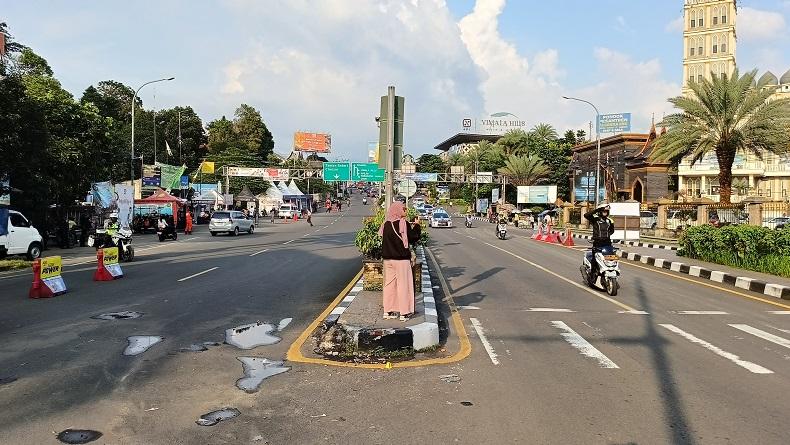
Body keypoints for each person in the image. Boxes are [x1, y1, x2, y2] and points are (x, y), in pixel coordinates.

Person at [380, 202, 420, 321]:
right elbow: (413, 237)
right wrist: (417, 226)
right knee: (404, 285)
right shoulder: (403, 223)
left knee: (389, 285)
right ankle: (404, 312)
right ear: (398, 210)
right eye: (404, 209)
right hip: (401, 260)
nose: (405, 211)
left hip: (388, 259)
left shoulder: (386, 224)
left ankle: (388, 311)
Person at [584, 203, 615, 278]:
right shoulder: (595, 219)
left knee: (610, 258)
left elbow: (612, 231)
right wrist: (597, 210)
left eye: (606, 211)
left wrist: (606, 236)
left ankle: (612, 272)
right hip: (597, 242)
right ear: (600, 211)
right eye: (604, 211)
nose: (605, 212)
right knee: (595, 258)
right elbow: (586, 215)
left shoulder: (610, 220)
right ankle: (592, 273)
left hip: (607, 242)